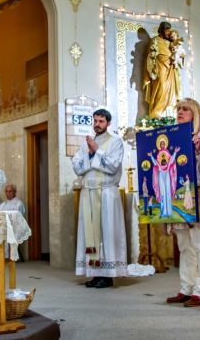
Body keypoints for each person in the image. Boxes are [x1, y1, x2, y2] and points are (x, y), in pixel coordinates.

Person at [72, 109, 127, 289]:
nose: (97, 124)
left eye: (101, 121)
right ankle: (95, 273)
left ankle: (108, 275)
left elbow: (112, 166)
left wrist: (96, 152)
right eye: (95, 121)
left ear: (108, 123)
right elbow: (77, 165)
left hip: (106, 194)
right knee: (91, 234)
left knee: (106, 233)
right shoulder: (86, 143)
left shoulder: (116, 141)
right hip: (88, 194)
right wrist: (90, 154)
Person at [166, 98, 200, 307]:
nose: (180, 112)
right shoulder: (173, 140)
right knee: (184, 246)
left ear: (195, 113)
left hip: (198, 195)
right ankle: (186, 287)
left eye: (185, 109)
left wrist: (199, 151)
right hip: (178, 196)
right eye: (178, 109)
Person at [143, 21, 180, 118]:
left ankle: (169, 114)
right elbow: (150, 55)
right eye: (166, 30)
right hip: (160, 68)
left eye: (169, 30)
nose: (168, 32)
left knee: (170, 92)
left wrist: (176, 55)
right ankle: (156, 115)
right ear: (162, 30)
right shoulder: (155, 40)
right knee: (161, 87)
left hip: (170, 69)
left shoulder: (170, 42)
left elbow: (178, 54)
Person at [148, 138, 180, 218]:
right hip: (160, 174)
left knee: (168, 192)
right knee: (162, 192)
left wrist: (175, 153)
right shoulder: (159, 154)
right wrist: (151, 156)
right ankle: (163, 213)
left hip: (167, 173)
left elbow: (171, 160)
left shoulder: (167, 153)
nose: (162, 145)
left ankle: (169, 212)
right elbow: (156, 163)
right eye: (161, 144)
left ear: (165, 144)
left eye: (163, 143)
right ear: (159, 145)